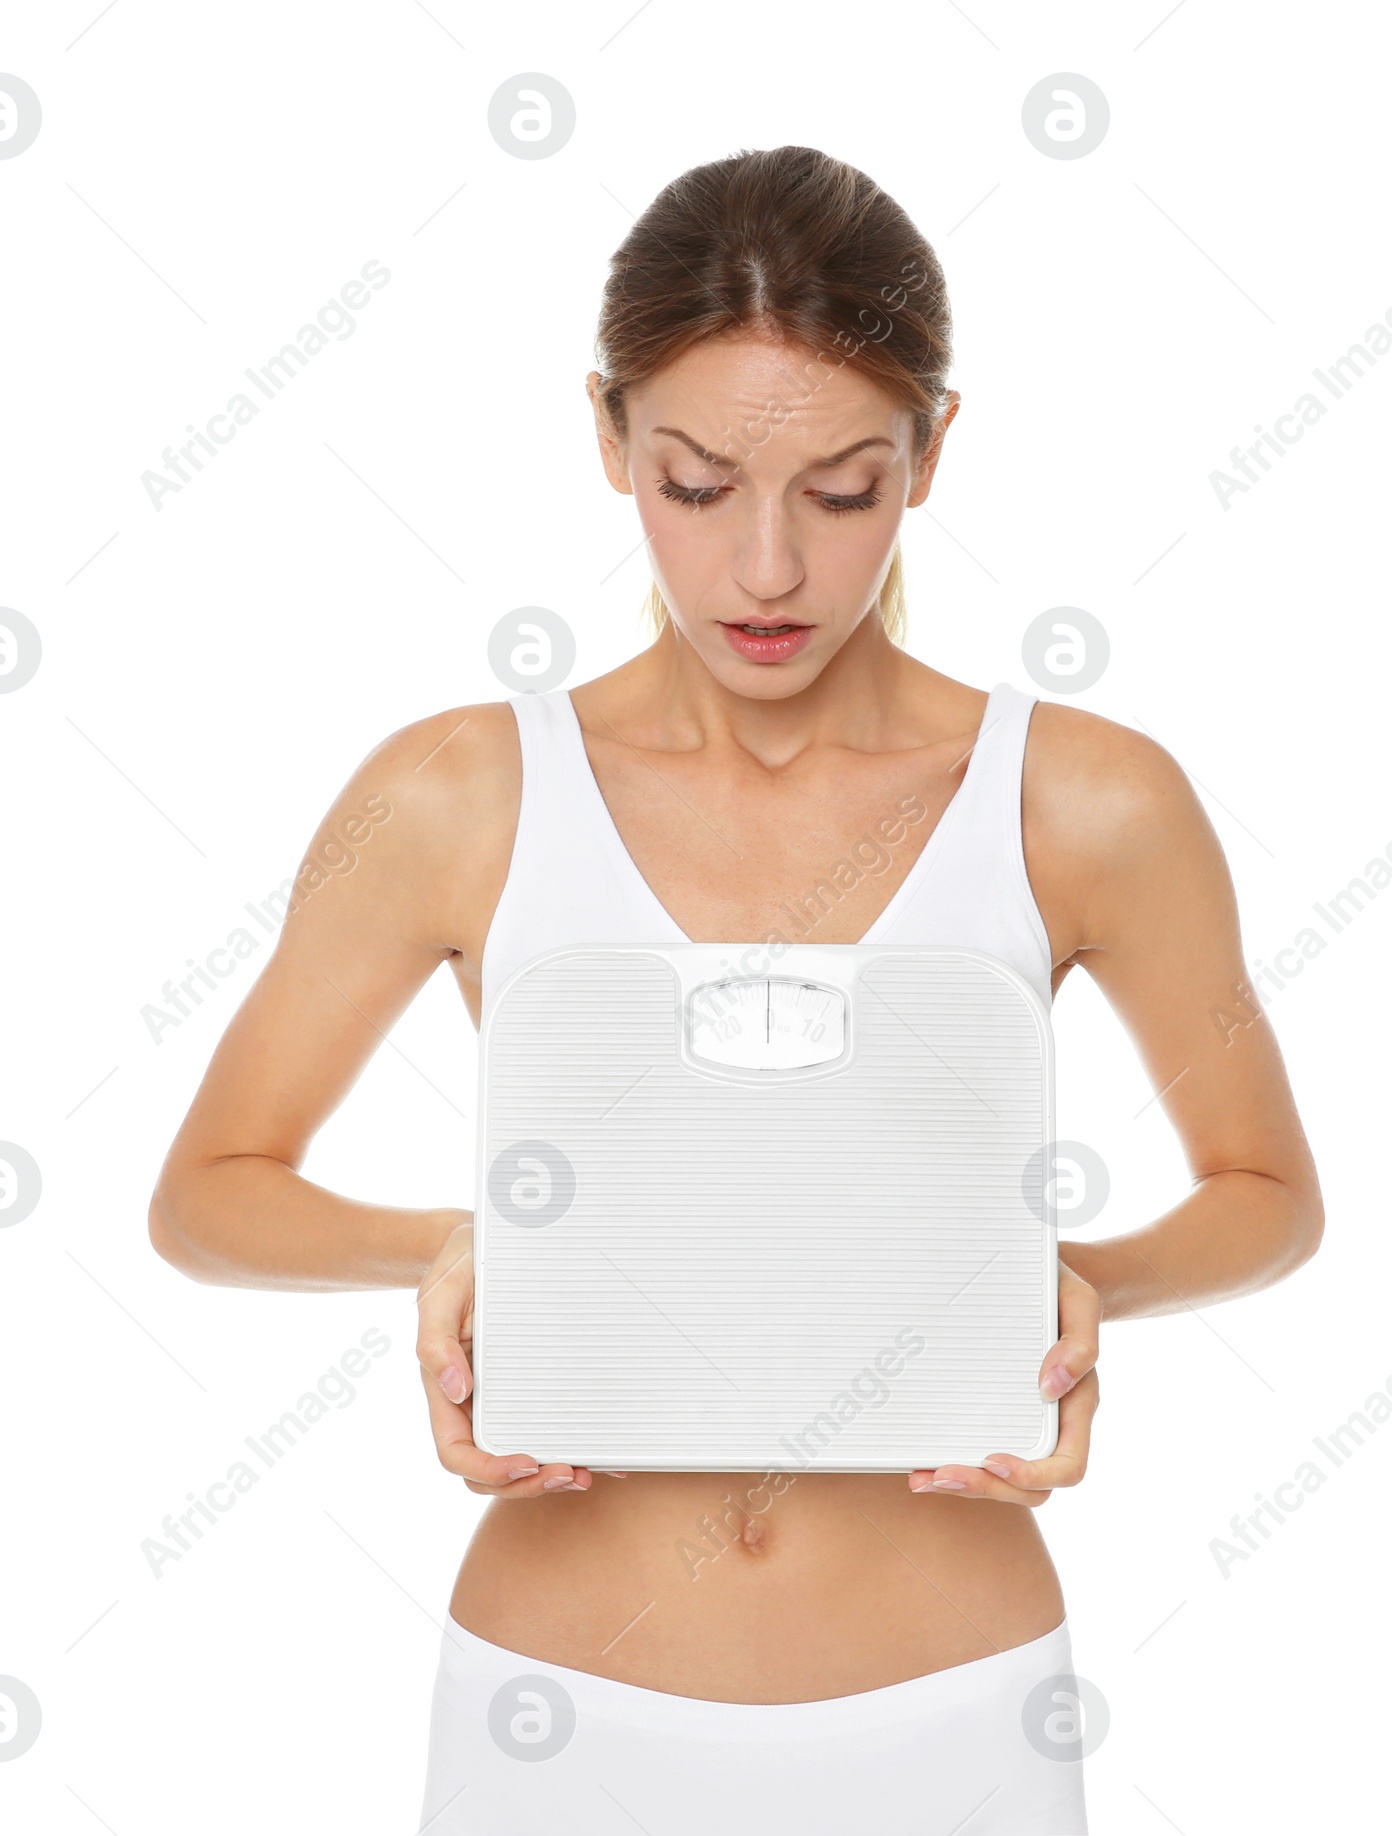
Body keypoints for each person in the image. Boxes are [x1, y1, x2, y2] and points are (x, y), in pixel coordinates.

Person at [148, 144, 1323, 1834]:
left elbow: (1271, 1195)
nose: (765, 571)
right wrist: (461, 1249)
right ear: (609, 439)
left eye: (839, 492)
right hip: (560, 1701)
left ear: (930, 454)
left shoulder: (1090, 801)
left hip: (955, 1703)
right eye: (697, 486)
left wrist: (1076, 1283)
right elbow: (208, 1193)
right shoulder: (460, 792)